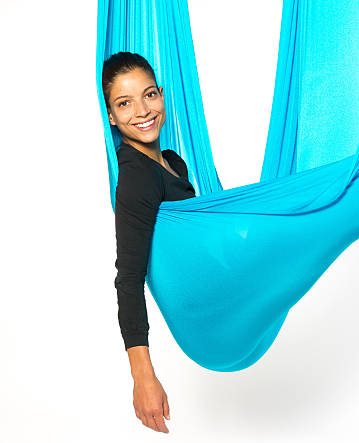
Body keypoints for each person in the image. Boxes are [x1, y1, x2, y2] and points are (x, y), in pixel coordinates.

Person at [102, 51, 196, 434]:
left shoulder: (172, 161)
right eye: (125, 103)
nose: (142, 111)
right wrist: (143, 376)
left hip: (228, 281)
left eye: (149, 95)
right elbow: (128, 278)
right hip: (206, 304)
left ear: (161, 95)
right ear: (111, 115)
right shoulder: (137, 179)